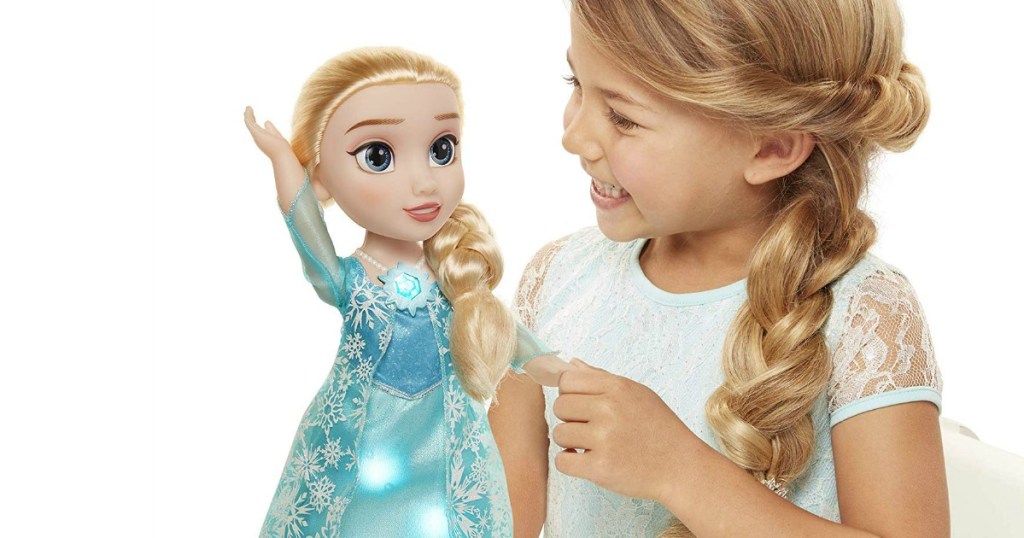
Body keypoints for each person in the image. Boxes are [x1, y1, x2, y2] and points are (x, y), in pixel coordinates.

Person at [488, 1, 949, 536]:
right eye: (576, 84)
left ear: (772, 146)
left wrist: (681, 472)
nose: (574, 137)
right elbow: (496, 516)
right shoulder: (557, 278)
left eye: (623, 117)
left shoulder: (865, 318)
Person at [244, 47, 555, 538]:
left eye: (442, 149)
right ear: (321, 177)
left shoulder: (453, 275)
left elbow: (497, 326)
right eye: (379, 157)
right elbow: (309, 237)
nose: (424, 183)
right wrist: (284, 161)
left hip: (444, 444)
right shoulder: (351, 280)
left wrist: (546, 363)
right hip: (361, 443)